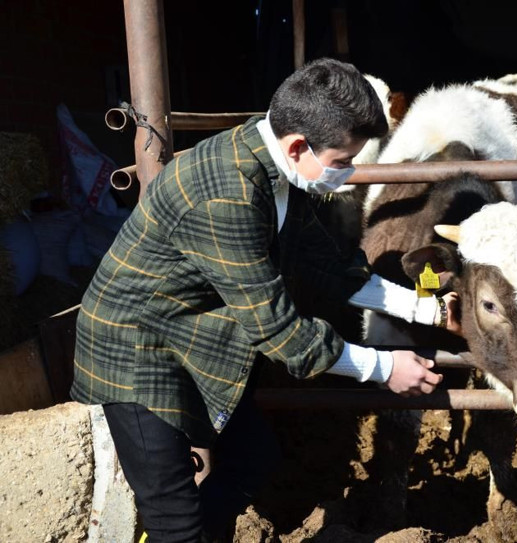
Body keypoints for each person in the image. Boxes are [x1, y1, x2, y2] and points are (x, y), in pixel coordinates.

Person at [70, 57, 458, 542]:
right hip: (134, 353)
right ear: (298, 145)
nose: (348, 173)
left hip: (191, 333)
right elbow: (278, 330)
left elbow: (325, 266)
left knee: (253, 461)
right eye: (342, 162)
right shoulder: (227, 193)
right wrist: (383, 368)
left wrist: (427, 309)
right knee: (174, 513)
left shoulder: (277, 168)